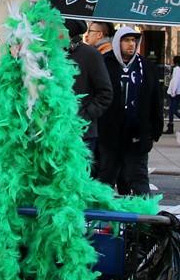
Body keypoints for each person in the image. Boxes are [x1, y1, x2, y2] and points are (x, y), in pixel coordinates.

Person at [96, 26, 163, 196]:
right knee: (105, 179)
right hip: (110, 135)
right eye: (126, 40)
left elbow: (156, 100)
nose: (131, 44)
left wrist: (154, 131)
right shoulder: (104, 63)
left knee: (138, 178)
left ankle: (145, 218)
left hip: (137, 136)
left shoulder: (146, 67)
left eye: (133, 40)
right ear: (118, 43)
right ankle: (103, 219)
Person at [64, 18, 113, 154]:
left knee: (77, 174)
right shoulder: (50, 54)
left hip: (82, 134)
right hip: (54, 133)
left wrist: (83, 116)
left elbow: (105, 93)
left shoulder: (90, 54)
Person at [165, 55, 180, 134]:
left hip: (175, 92)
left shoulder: (176, 69)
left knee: (172, 110)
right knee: (172, 110)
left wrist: (173, 91)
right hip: (177, 91)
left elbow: (175, 80)